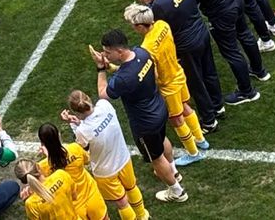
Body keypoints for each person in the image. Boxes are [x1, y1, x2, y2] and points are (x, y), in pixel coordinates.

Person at [90, 30, 188, 204]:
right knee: (162, 138)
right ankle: (174, 172)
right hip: (159, 108)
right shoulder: (142, 53)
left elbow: (103, 93)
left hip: (144, 123)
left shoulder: (123, 79)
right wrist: (110, 66)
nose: (105, 55)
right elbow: (139, 72)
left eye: (107, 52)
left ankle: (176, 191)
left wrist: (100, 68)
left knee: (155, 158)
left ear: (119, 51)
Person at [135, 0, 223, 133]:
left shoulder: (160, 5)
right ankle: (218, 105)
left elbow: (159, 19)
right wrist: (154, 1)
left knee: (196, 82)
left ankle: (209, 120)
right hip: (201, 33)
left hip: (186, 45)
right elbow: (172, 1)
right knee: (209, 71)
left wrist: (150, 3)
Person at [123, 4, 209, 165]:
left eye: (133, 25)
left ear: (141, 26)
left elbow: (152, 74)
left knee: (176, 119)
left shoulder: (146, 47)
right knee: (186, 107)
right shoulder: (163, 25)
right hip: (178, 73)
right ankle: (200, 139)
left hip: (168, 85)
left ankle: (193, 153)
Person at [62, 90, 149, 220]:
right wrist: (79, 124)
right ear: (89, 99)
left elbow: (83, 147)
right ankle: (143, 216)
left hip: (106, 171)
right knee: (131, 188)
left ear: (76, 112)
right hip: (124, 159)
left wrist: (73, 125)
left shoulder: (82, 131)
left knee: (122, 202)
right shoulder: (104, 105)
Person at [36, 122, 109, 219]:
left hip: (75, 206)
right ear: (59, 135)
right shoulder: (75, 148)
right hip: (91, 194)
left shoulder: (43, 167)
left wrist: (48, 157)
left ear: (42, 144)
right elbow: (87, 160)